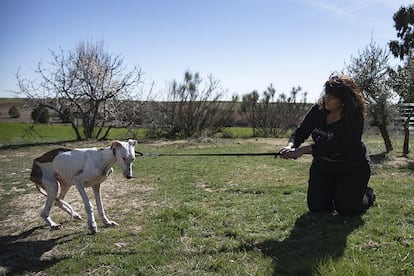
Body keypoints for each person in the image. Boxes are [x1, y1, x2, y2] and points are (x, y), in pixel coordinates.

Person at [279, 73, 375, 216]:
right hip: (323, 167)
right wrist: (290, 146)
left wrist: (302, 151)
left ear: (344, 101)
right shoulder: (317, 111)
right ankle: (335, 191)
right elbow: (300, 132)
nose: (327, 99)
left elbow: (337, 146)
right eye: (327, 94)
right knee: (317, 208)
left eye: (333, 97)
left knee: (346, 209)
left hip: (351, 167)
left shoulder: (354, 118)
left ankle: (366, 193)